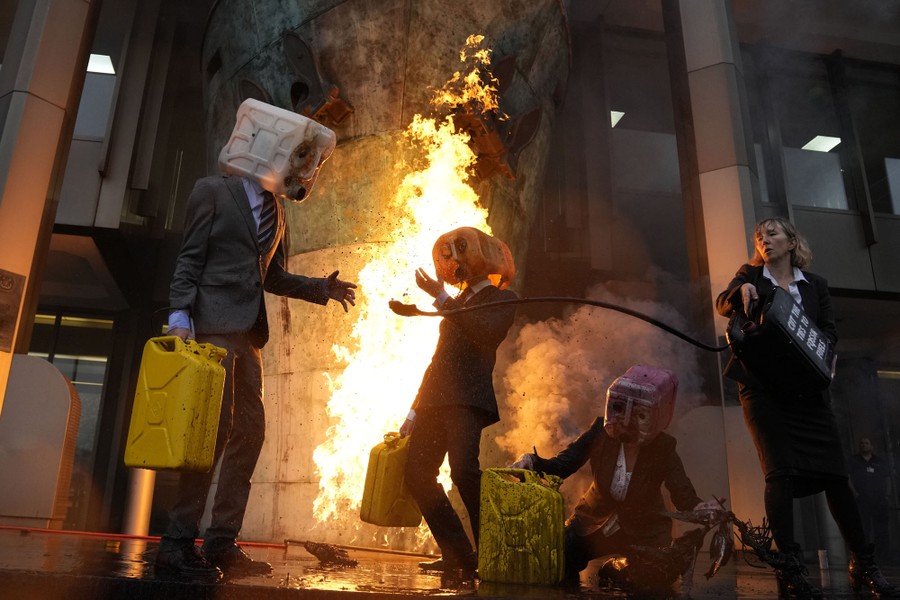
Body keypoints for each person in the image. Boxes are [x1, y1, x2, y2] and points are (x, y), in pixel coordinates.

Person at [155, 108, 357, 582]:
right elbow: (189, 261)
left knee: (250, 433)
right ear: (277, 151)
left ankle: (222, 542)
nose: (305, 171)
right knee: (208, 435)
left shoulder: (277, 211)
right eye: (302, 158)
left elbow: (273, 276)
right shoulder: (211, 191)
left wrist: (319, 289)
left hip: (249, 338)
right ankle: (177, 544)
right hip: (209, 333)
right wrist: (180, 317)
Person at [716, 216, 898, 598]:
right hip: (764, 390)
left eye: (773, 233)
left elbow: (829, 332)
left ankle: (864, 564)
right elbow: (723, 302)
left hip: (807, 395)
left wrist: (828, 356)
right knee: (779, 473)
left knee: (836, 478)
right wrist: (745, 286)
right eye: (759, 236)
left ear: (791, 241)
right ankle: (790, 568)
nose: (765, 239)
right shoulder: (751, 274)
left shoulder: (816, 286)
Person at [511, 364, 722, 585]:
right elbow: (565, 464)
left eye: (640, 414)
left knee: (655, 577)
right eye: (620, 409)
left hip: (644, 532)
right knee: (556, 560)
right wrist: (533, 462)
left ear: (657, 416)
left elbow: (683, 495)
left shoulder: (664, 448)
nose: (626, 421)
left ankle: (619, 568)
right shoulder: (599, 433)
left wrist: (700, 509)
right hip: (592, 523)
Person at [399, 227, 517, 576]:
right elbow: (438, 360)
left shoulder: (503, 299)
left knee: (464, 470)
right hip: (435, 401)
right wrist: (413, 410)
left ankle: (492, 552)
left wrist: (440, 298)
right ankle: (457, 553)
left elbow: (484, 331)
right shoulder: (455, 304)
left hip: (467, 400)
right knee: (417, 474)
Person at [849, 437, 893, 565]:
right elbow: (849, 477)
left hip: (879, 499)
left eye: (866, 443)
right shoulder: (854, 461)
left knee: (881, 528)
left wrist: (887, 495)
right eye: (861, 443)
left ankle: (884, 556)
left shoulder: (879, 461)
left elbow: (887, 478)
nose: (864, 446)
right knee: (864, 527)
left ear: (871, 446)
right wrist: (855, 493)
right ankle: (865, 556)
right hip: (862, 499)